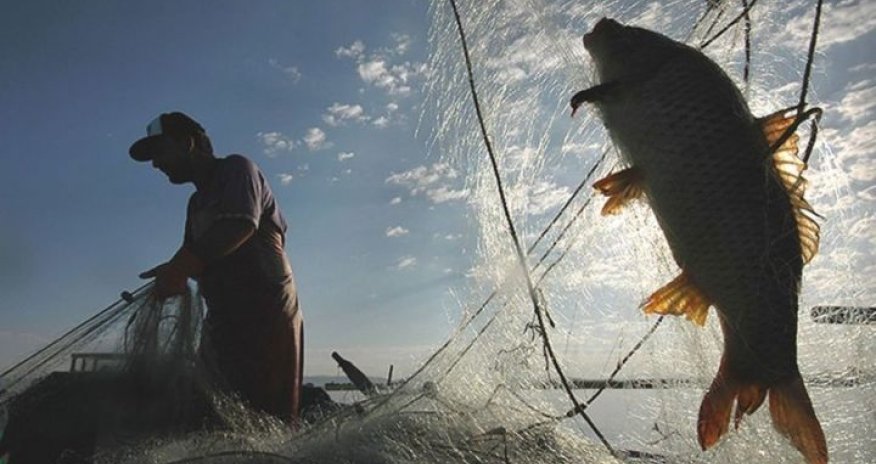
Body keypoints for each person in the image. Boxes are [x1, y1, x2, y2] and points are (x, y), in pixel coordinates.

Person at [129, 111, 303, 425]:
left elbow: (239, 225)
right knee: (212, 413)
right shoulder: (196, 204)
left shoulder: (237, 168)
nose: (155, 164)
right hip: (223, 321)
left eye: (159, 152)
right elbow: (194, 258)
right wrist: (171, 274)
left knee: (268, 418)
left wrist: (180, 267)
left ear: (187, 143)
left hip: (267, 317)